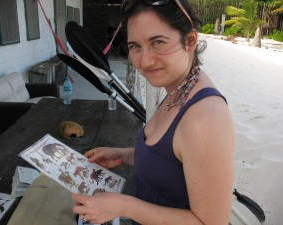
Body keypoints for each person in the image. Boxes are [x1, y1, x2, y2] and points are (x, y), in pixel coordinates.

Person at [72, 0, 235, 224]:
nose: (145, 61)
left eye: (158, 42)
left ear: (190, 40)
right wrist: (123, 155)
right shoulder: (178, 89)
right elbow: (171, 160)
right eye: (135, 46)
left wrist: (124, 206)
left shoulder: (206, 117)